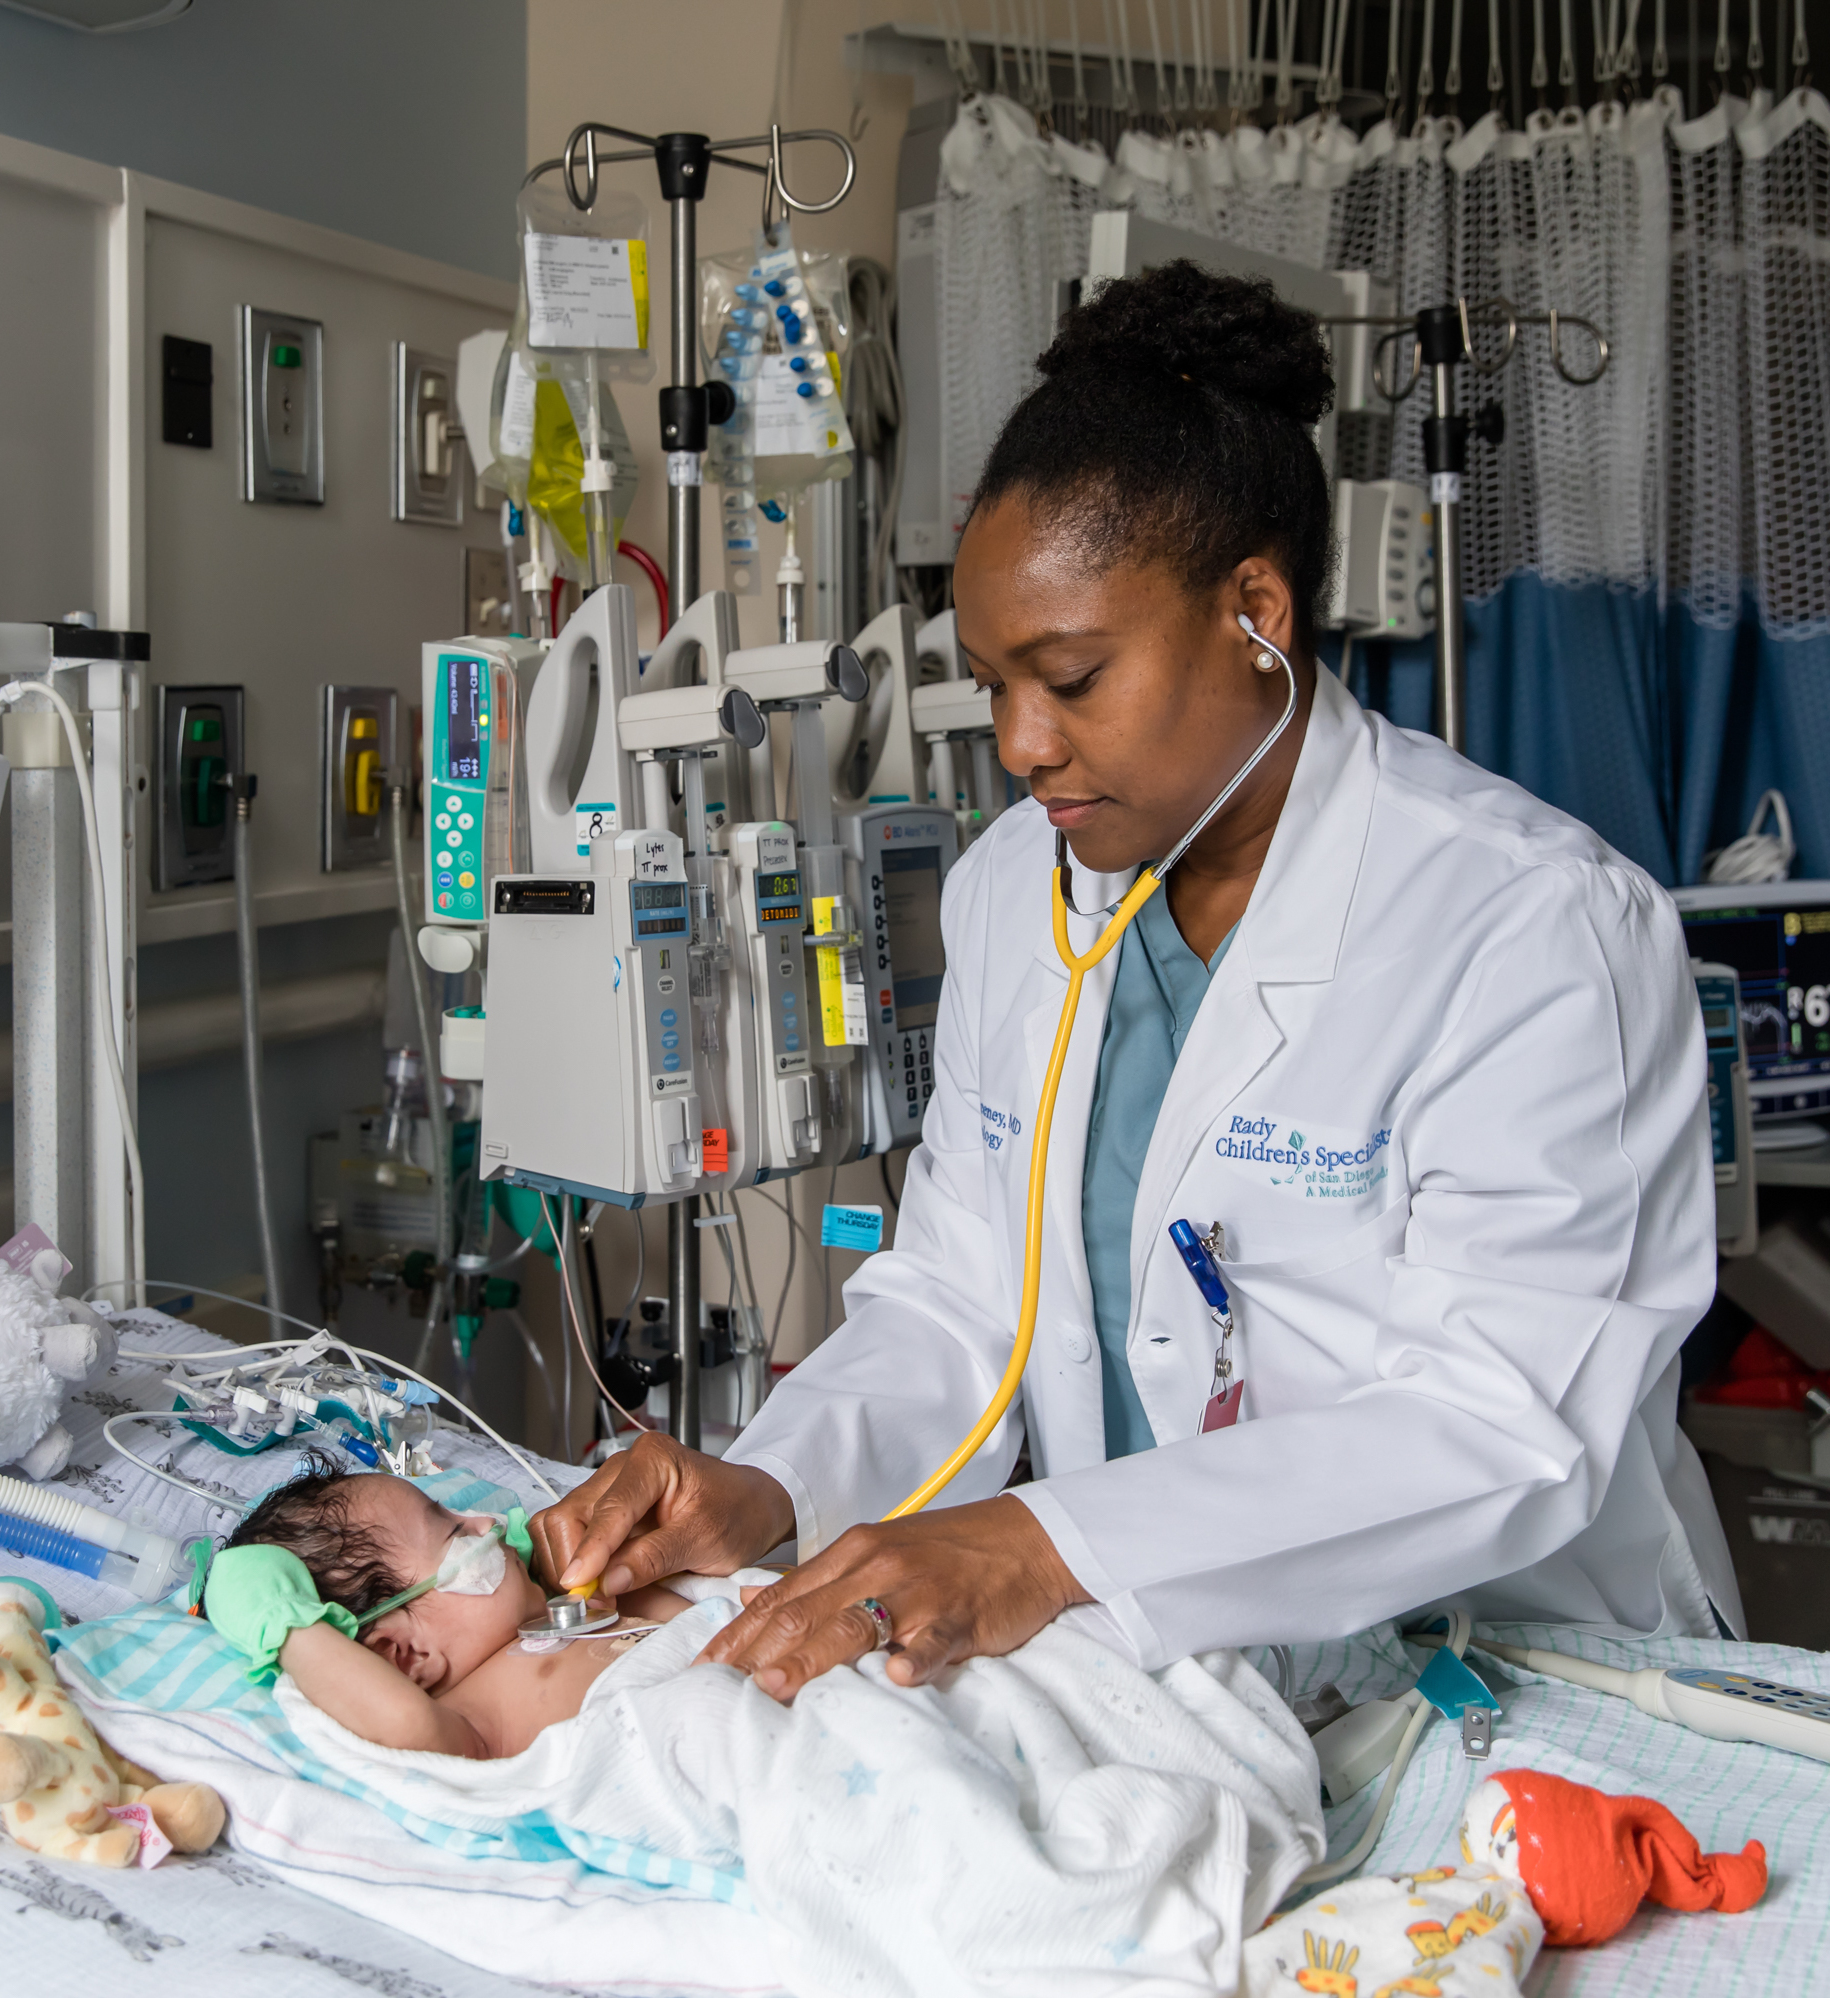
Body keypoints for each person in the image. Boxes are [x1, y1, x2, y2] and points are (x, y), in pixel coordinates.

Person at [534, 259, 1740, 1703]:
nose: (1024, 742)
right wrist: (772, 1483)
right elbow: (960, 1305)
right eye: (991, 682)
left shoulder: (1534, 927)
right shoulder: (1011, 896)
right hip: (1189, 1683)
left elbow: (1504, 1419)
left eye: (1075, 674)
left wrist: (1042, 1545)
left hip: (1537, 1675)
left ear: (1257, 611)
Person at [201, 1457, 700, 1758]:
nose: (487, 1522)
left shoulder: (553, 1613)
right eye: (455, 1532)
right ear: (405, 1655)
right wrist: (286, 1626)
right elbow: (405, 1725)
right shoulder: (467, 1722)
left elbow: (694, 1625)